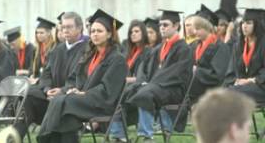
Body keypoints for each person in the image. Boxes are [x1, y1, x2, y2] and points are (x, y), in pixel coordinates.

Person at [37, 9, 127, 143]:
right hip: (83, 101)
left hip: (102, 104)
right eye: (93, 31)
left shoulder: (117, 59)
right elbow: (74, 78)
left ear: (109, 34)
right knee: (67, 113)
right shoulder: (89, 55)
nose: (95, 34)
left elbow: (107, 89)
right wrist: (69, 89)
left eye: (99, 31)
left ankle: (44, 138)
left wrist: (83, 93)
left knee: (63, 101)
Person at [111, 10, 193, 142]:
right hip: (155, 87)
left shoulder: (184, 49)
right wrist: (142, 82)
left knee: (145, 94)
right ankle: (119, 136)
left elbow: (176, 73)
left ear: (176, 25)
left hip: (173, 89)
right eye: (160, 25)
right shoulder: (158, 49)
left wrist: (151, 83)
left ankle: (146, 136)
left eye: (165, 25)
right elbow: (145, 71)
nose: (162, 28)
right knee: (122, 92)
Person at [14, 12, 88, 140]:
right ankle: (14, 138)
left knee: (63, 100)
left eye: (69, 27)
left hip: (72, 98)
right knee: (29, 94)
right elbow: (45, 75)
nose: (65, 30)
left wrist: (62, 91)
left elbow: (81, 78)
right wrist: (47, 89)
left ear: (80, 28)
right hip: (51, 97)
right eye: (63, 27)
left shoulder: (87, 50)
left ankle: (48, 137)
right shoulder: (56, 50)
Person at [188, 4, 231, 101]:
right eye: (194, 28)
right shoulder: (194, 45)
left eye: (198, 29)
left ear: (208, 28)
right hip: (195, 85)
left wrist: (196, 71)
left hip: (210, 88)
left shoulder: (220, 47)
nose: (194, 32)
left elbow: (218, 76)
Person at [225, 8, 265, 104]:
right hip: (243, 87)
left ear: (257, 25)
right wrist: (237, 80)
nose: (244, 26)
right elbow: (232, 70)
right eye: (243, 23)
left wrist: (252, 80)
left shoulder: (263, 43)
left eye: (248, 23)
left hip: (261, 86)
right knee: (221, 91)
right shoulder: (239, 45)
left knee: (230, 94)